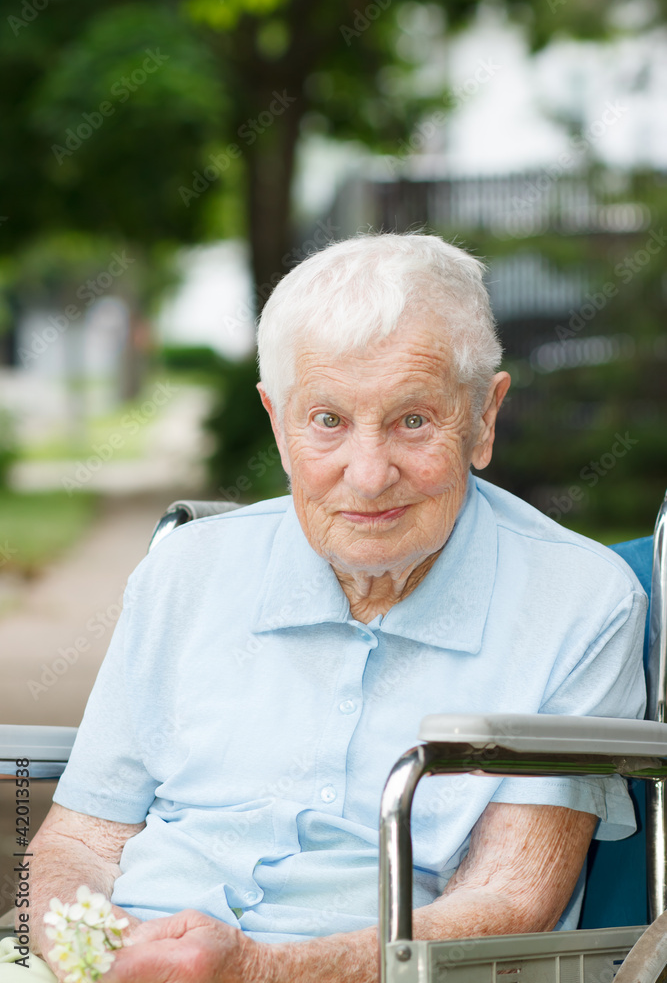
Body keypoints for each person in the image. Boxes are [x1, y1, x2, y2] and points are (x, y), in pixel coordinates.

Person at [14, 233, 646, 983]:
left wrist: (256, 968)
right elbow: (76, 844)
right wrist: (96, 948)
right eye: (327, 422)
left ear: (482, 418)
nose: (369, 475)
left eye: (413, 421)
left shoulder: (580, 602)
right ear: (277, 424)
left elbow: (510, 898)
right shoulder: (185, 570)